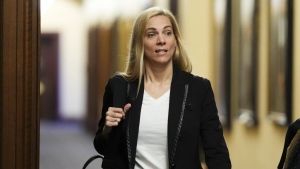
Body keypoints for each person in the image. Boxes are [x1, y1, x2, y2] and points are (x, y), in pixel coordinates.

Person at [93, 6, 231, 169]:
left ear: (175, 39)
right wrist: (108, 129)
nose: (161, 40)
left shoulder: (198, 89)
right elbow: (103, 147)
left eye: (167, 32)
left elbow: (216, 153)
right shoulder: (119, 86)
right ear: (140, 43)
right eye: (151, 34)